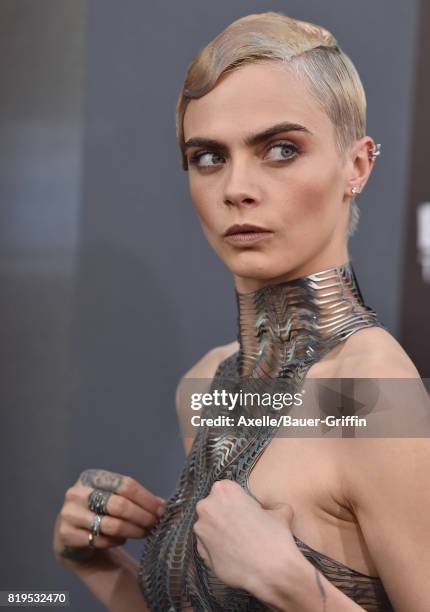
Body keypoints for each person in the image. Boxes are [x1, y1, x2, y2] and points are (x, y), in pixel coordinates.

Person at [53, 11, 430, 612]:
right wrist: (99, 566)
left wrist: (290, 582)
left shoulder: (372, 390)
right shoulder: (206, 384)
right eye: (208, 157)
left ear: (357, 166)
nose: (237, 188)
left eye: (281, 149)